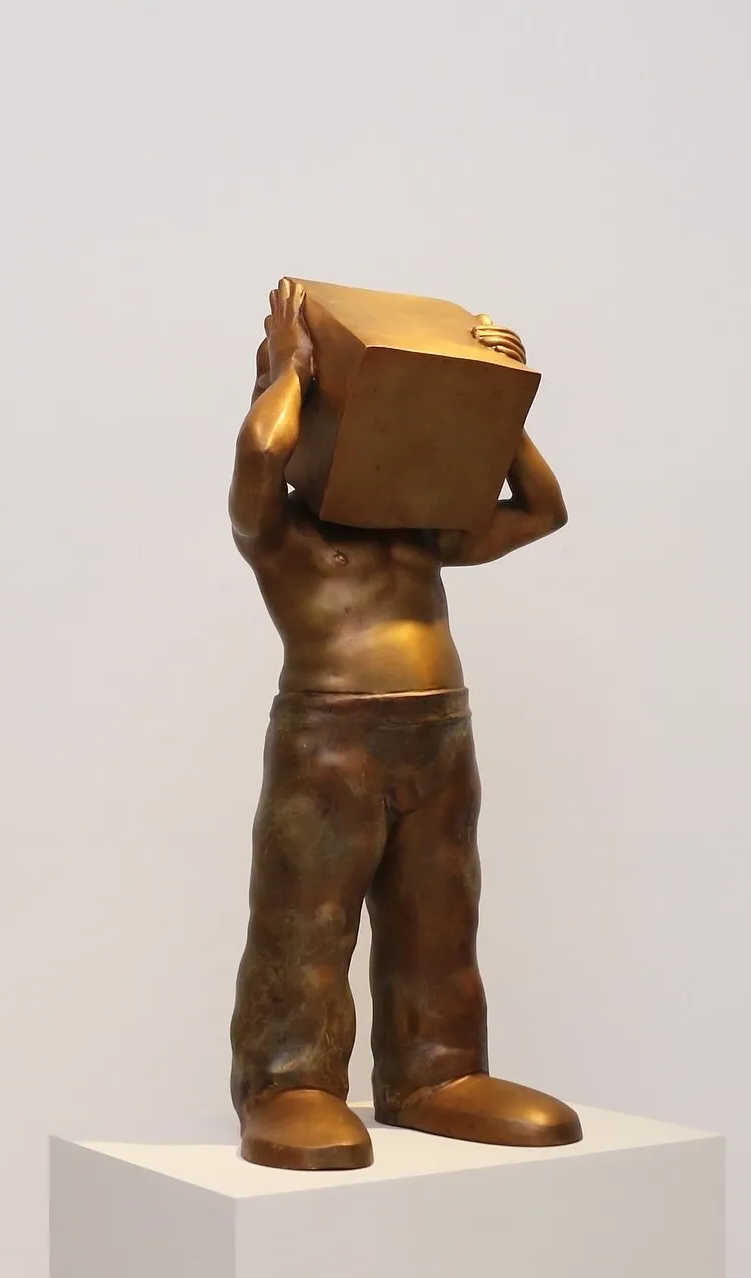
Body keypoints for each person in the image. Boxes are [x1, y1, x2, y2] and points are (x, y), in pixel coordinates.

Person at [228, 278, 582, 1170]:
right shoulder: (280, 533)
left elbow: (541, 509)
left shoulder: (420, 529)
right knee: (306, 922)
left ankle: (438, 1070)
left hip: (439, 736)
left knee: (440, 916)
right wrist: (292, 368)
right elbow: (260, 453)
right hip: (328, 741)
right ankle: (288, 1084)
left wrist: (498, 406)